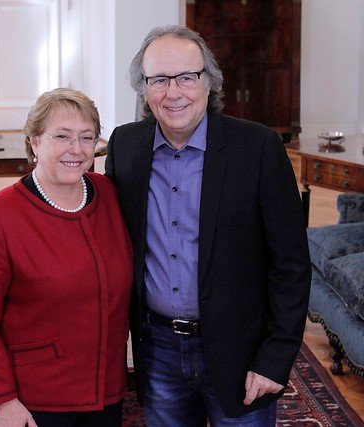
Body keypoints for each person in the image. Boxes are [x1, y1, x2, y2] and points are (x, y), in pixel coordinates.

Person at [105, 25, 311, 426]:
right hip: (158, 348)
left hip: (240, 348)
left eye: (187, 76)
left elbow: (292, 265)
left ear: (209, 82)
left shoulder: (259, 148)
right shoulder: (125, 147)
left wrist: (275, 358)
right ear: (144, 90)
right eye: (159, 80)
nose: (174, 91)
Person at [0, 88, 134, 427]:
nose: (76, 149)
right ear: (35, 142)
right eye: (62, 137)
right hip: (33, 400)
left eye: (87, 138)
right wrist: (3, 401)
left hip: (106, 392)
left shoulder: (110, 195)